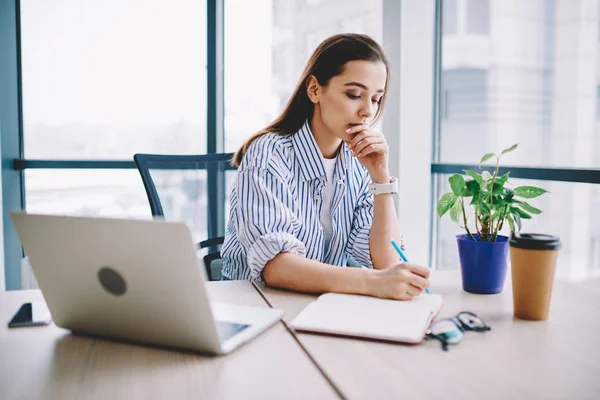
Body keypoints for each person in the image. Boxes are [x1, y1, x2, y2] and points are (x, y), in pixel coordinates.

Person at [220, 33, 430, 300]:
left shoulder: (357, 165)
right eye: (354, 94)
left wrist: (381, 178)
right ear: (315, 90)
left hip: (320, 304)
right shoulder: (269, 153)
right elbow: (276, 266)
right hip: (256, 303)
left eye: (376, 99)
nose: (368, 111)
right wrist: (373, 282)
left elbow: (387, 263)